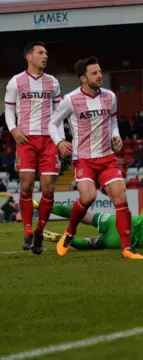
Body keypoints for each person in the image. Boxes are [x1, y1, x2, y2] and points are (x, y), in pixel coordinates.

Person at [48, 56, 142, 260]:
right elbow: (52, 123)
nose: (99, 75)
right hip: (84, 159)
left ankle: (126, 249)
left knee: (121, 197)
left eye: (100, 71)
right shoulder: (71, 99)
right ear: (83, 78)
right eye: (94, 73)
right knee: (88, 197)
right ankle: (70, 233)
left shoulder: (110, 96)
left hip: (106, 158)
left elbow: (113, 120)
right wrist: (60, 142)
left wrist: (116, 135)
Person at [4, 41, 62, 255]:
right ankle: (28, 231)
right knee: (26, 185)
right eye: (40, 53)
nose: (44, 56)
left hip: (49, 140)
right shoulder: (16, 82)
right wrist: (13, 129)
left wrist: (61, 140)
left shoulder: (53, 83)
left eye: (46, 53)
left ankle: (39, 231)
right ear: (29, 57)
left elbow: (59, 113)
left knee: (48, 188)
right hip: (26, 140)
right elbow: (9, 110)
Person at [39, 199, 143, 250]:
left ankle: (39, 205)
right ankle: (62, 238)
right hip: (128, 237)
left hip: (118, 220)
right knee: (89, 243)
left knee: (82, 214)